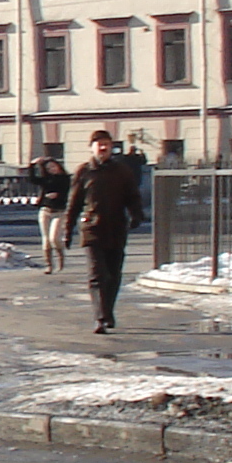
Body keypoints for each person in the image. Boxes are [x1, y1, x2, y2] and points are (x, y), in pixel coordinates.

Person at [62, 129, 147, 333]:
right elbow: (73, 204)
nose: (103, 148)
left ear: (111, 147)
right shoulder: (84, 171)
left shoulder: (122, 171)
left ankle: (108, 311)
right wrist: (68, 229)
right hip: (92, 228)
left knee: (113, 274)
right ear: (91, 147)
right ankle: (99, 318)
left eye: (106, 144)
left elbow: (132, 196)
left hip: (117, 227)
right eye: (99, 144)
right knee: (97, 274)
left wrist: (136, 215)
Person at [30, 154, 73, 274]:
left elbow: (69, 194)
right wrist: (33, 165)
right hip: (45, 210)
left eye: (53, 167)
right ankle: (48, 265)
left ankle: (60, 260)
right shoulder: (46, 179)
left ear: (58, 166)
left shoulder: (65, 179)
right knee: (46, 240)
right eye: (49, 168)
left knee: (54, 238)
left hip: (59, 211)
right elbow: (32, 179)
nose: (52, 170)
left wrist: (58, 195)